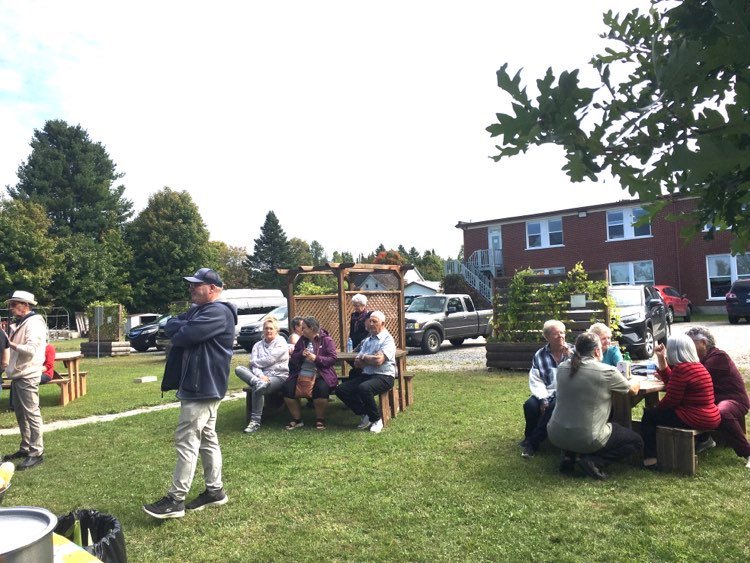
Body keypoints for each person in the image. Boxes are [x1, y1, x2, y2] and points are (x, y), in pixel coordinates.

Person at [143, 268, 237, 519]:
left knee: (187, 439)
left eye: (197, 285)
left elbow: (184, 335)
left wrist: (183, 326)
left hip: (202, 386)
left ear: (213, 288)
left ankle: (176, 500)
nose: (191, 288)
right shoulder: (199, 310)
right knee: (207, 437)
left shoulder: (217, 312)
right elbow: (170, 324)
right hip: (202, 385)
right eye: (191, 284)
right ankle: (215, 491)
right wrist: (183, 324)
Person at [548, 332, 643, 479]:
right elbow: (633, 390)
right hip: (587, 438)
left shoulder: (562, 367)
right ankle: (594, 462)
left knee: (578, 415)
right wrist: (635, 379)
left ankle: (568, 457)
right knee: (636, 441)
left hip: (555, 434)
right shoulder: (606, 371)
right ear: (597, 351)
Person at [641, 334, 721, 469]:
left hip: (696, 416)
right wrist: (661, 358)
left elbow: (672, 400)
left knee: (649, 416)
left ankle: (650, 460)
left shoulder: (682, 369)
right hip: (711, 415)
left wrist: (657, 408)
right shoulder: (696, 366)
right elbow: (672, 381)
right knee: (656, 413)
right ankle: (704, 439)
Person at [686, 326, 750, 468]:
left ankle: (747, 452)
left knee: (722, 412)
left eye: (691, 343)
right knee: (685, 405)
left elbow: (696, 378)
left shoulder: (718, 357)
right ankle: (704, 439)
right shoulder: (700, 359)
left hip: (734, 400)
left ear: (703, 343)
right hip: (713, 400)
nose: (688, 347)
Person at [1, 291, 47, 470]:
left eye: (14, 304)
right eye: (10, 305)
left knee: (31, 413)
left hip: (27, 374)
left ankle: (36, 453)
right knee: (21, 413)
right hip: (19, 374)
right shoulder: (23, 322)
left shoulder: (34, 322)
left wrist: (10, 343)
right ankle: (26, 447)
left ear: (25, 305)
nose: (11, 308)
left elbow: (31, 349)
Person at [335, 311, 396, 434]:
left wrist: (365, 357)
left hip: (384, 376)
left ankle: (376, 420)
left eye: (375, 321)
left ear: (383, 323)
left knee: (364, 388)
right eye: (370, 321)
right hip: (367, 375)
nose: (371, 324)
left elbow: (379, 361)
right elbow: (357, 363)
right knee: (341, 389)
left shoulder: (387, 340)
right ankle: (365, 413)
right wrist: (371, 358)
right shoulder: (368, 340)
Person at [520, 320, 573, 458]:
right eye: (556, 334)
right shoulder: (540, 355)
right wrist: (543, 398)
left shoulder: (573, 352)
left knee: (552, 406)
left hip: (566, 393)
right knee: (530, 405)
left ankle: (532, 443)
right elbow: (536, 380)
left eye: (562, 332)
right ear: (547, 337)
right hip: (545, 392)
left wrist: (570, 356)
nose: (561, 336)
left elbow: (582, 371)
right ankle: (528, 436)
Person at [235, 316, 289, 433]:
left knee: (257, 388)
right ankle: (258, 382)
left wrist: (254, 363)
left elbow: (270, 360)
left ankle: (255, 421)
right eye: (266, 328)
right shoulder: (257, 345)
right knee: (239, 369)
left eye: (271, 328)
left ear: (276, 330)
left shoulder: (281, 342)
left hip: (278, 377)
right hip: (261, 377)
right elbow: (255, 367)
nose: (268, 331)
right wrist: (260, 377)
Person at [282, 317, 338, 430]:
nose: (301, 330)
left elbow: (332, 359)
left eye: (304, 328)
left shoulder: (326, 340)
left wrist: (316, 358)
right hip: (301, 373)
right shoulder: (302, 340)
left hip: (321, 373)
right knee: (287, 388)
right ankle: (297, 419)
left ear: (311, 328)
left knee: (321, 389)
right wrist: (300, 354)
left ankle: (320, 419)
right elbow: (294, 357)